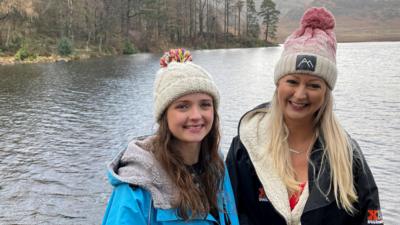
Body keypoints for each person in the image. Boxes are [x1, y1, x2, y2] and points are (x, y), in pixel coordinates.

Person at [226, 7, 383, 225]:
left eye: (313, 85)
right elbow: (228, 213)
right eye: (292, 81)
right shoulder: (246, 147)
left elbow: (370, 217)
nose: (300, 94)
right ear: (278, 83)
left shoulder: (348, 155)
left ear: (326, 92)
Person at [102, 48, 239, 225]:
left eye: (205, 104)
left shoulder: (216, 164)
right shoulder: (136, 187)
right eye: (183, 106)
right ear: (164, 115)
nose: (196, 115)